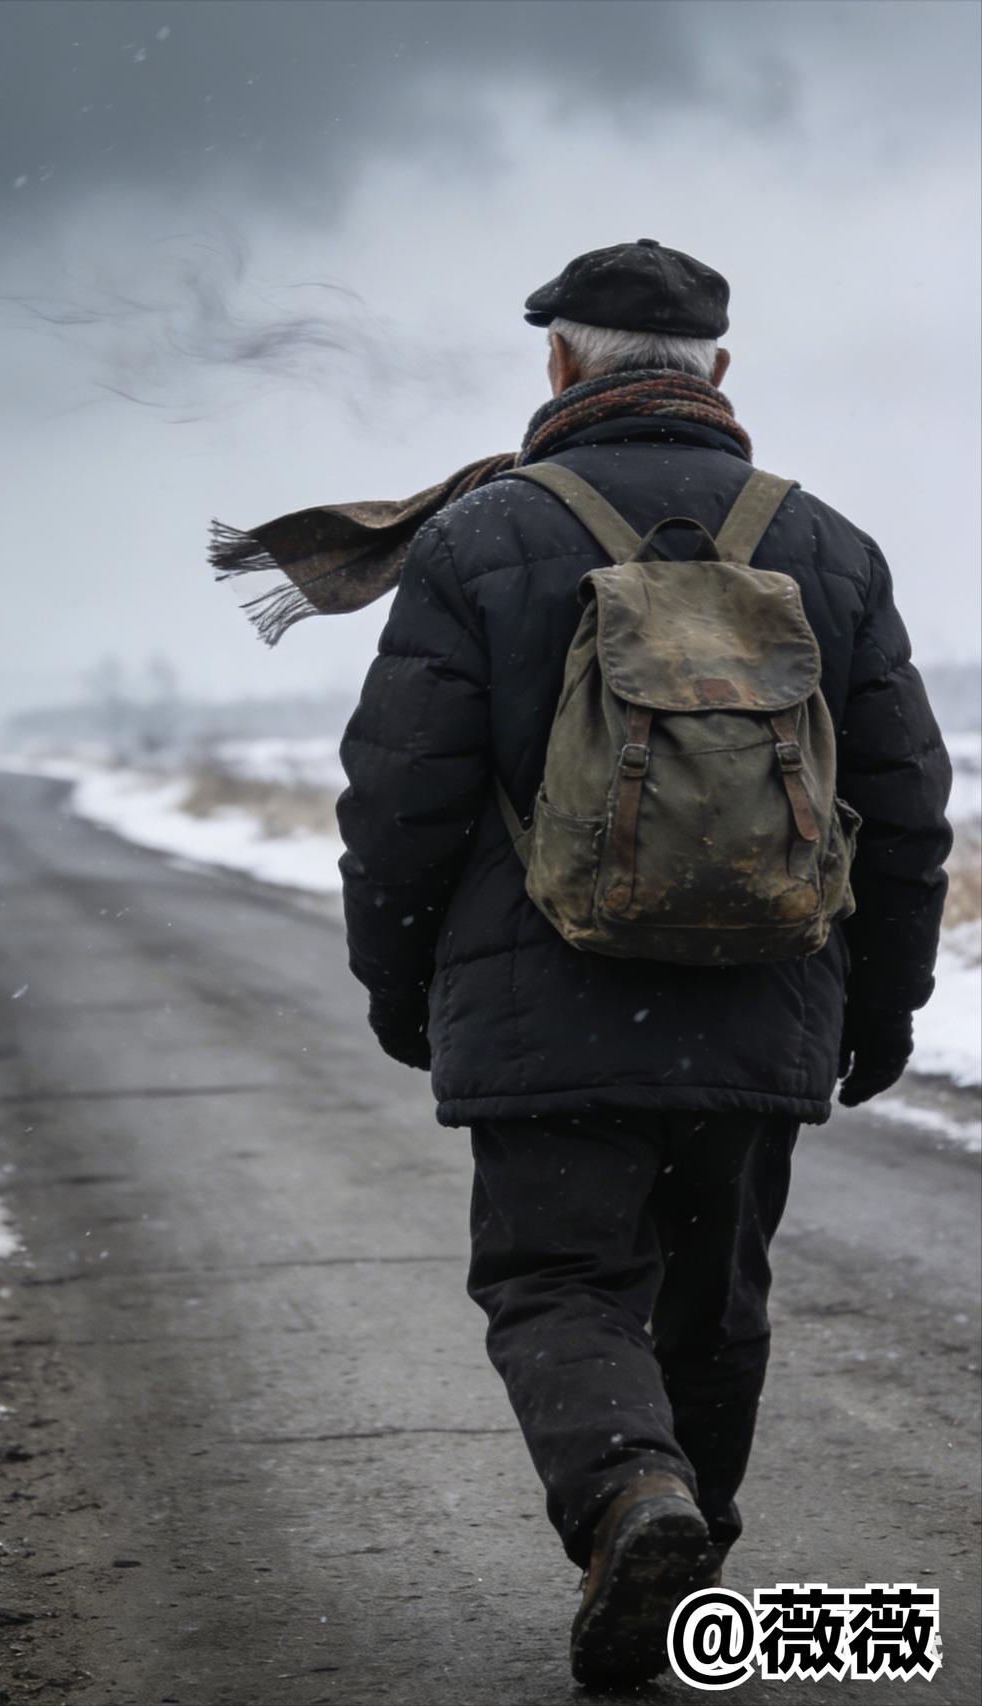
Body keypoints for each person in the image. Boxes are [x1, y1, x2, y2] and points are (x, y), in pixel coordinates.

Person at [328, 240, 954, 1686]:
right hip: (758, 999)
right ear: (718, 376)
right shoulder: (827, 546)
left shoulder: (482, 541)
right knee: (715, 1304)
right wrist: (883, 1001)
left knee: (560, 1282)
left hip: (546, 1000)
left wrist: (402, 985)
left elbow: (399, 797)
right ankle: (683, 1571)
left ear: (558, 362)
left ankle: (630, 1498)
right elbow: (909, 804)